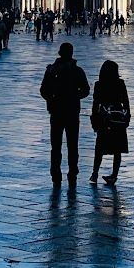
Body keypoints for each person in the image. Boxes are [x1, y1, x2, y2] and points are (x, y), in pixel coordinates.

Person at [38, 42, 90, 187]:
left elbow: (43, 90)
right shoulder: (77, 71)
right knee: (72, 144)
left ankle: (56, 173)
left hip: (56, 111)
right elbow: (86, 90)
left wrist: (52, 99)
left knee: (56, 145)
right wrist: (74, 96)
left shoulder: (51, 70)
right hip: (72, 111)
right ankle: (72, 172)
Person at [89, 60, 130, 186]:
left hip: (104, 118)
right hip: (117, 119)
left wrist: (94, 120)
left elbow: (95, 104)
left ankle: (95, 173)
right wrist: (127, 117)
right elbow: (126, 102)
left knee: (99, 147)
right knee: (117, 149)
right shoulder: (120, 83)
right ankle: (114, 175)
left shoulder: (99, 84)